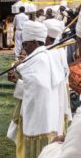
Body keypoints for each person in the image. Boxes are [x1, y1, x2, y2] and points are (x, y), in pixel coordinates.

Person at [9, 21, 65, 158]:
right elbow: (36, 86)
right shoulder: (47, 55)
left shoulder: (39, 59)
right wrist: (18, 80)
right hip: (48, 116)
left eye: (26, 44)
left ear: (34, 41)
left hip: (39, 119)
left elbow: (38, 87)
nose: (24, 48)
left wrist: (19, 72)